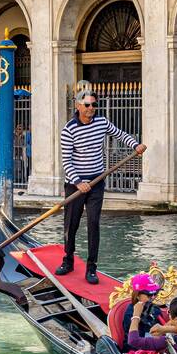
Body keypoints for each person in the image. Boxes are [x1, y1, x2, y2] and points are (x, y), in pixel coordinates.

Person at [57, 86, 146, 285]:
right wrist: (79, 182)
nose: (91, 108)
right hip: (75, 184)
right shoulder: (68, 130)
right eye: (87, 105)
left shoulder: (102, 122)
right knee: (71, 224)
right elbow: (67, 162)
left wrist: (135, 145)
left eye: (94, 105)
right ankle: (68, 260)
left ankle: (91, 268)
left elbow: (120, 134)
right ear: (78, 105)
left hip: (97, 182)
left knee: (93, 224)